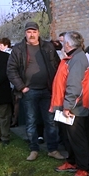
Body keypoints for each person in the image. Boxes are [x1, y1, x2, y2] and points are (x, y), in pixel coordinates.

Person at [7, 21, 64, 161]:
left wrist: (56, 86)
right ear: (25, 33)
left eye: (34, 32)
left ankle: (53, 149)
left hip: (47, 90)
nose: (31, 35)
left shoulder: (48, 47)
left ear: (38, 33)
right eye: (29, 32)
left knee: (50, 121)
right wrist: (21, 87)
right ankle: (34, 149)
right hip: (29, 90)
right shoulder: (18, 49)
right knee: (31, 121)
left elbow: (57, 66)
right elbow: (11, 69)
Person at [51, 31, 89, 176]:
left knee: (77, 137)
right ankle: (72, 161)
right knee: (68, 136)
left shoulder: (78, 59)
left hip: (74, 107)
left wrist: (67, 107)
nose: (62, 45)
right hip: (67, 105)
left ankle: (83, 167)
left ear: (68, 44)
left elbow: (74, 86)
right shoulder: (72, 57)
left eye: (63, 42)